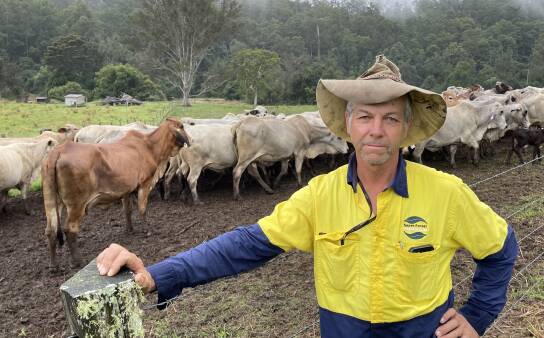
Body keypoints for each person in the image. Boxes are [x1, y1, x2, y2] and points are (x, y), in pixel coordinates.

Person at [97, 55, 518, 338]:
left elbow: (500, 248)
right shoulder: (320, 194)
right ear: (348, 125)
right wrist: (158, 274)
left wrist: (476, 317)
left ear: (406, 128)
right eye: (365, 117)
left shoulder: (446, 192)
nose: (377, 130)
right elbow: (246, 245)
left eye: (390, 118)